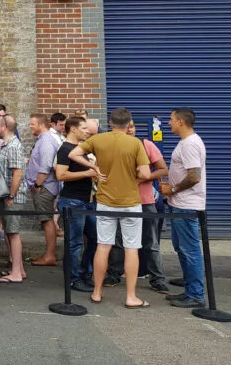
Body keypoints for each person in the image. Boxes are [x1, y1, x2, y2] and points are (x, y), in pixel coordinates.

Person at [69, 107, 152, 308]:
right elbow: (146, 174)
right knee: (132, 248)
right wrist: (133, 175)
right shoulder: (135, 143)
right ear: (129, 123)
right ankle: (131, 296)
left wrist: (94, 167)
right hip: (130, 202)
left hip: (105, 201)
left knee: (103, 246)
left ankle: (97, 292)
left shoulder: (98, 140)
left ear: (111, 123)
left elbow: (74, 153)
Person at [161, 108, 206, 308]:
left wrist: (173, 188)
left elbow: (195, 176)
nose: (168, 123)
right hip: (179, 204)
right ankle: (190, 289)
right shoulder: (185, 142)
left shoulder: (190, 144)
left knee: (190, 250)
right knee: (182, 248)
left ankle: (196, 294)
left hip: (186, 205)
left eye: (171, 119)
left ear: (180, 121)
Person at [55, 116, 98, 292]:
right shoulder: (65, 149)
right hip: (72, 201)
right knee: (74, 242)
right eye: (84, 128)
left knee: (95, 238)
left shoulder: (81, 149)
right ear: (73, 129)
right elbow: (61, 175)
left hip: (85, 201)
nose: (87, 131)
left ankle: (83, 272)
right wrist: (88, 173)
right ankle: (73, 279)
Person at [126, 119, 170, 294]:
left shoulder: (146, 145)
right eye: (126, 126)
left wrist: (143, 178)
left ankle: (157, 278)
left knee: (151, 242)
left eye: (132, 126)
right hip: (121, 201)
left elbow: (163, 169)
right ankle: (114, 273)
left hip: (145, 201)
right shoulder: (114, 146)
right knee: (117, 242)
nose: (129, 129)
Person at [0, 115, 28, 284]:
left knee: (13, 233)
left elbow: (17, 174)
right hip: (9, 196)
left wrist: (11, 196)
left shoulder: (12, 146)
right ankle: (18, 269)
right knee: (10, 232)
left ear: (4, 127)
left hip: (12, 197)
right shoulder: (9, 145)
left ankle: (16, 273)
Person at [26, 112, 61, 266]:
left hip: (44, 187)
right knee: (46, 221)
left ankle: (50, 256)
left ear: (41, 124)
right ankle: (48, 254)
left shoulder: (46, 141)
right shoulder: (43, 139)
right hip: (44, 187)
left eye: (32, 123)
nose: (30, 126)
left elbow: (45, 166)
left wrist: (38, 185)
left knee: (47, 221)